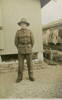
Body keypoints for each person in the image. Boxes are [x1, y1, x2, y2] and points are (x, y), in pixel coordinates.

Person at [15, 18, 35, 83]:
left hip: (29, 50)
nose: (23, 25)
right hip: (21, 50)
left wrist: (29, 47)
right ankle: (19, 77)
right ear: (20, 25)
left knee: (30, 64)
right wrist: (19, 48)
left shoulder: (30, 31)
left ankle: (31, 76)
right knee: (20, 65)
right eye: (22, 24)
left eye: (24, 24)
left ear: (26, 25)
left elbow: (32, 41)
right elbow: (16, 42)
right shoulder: (18, 32)